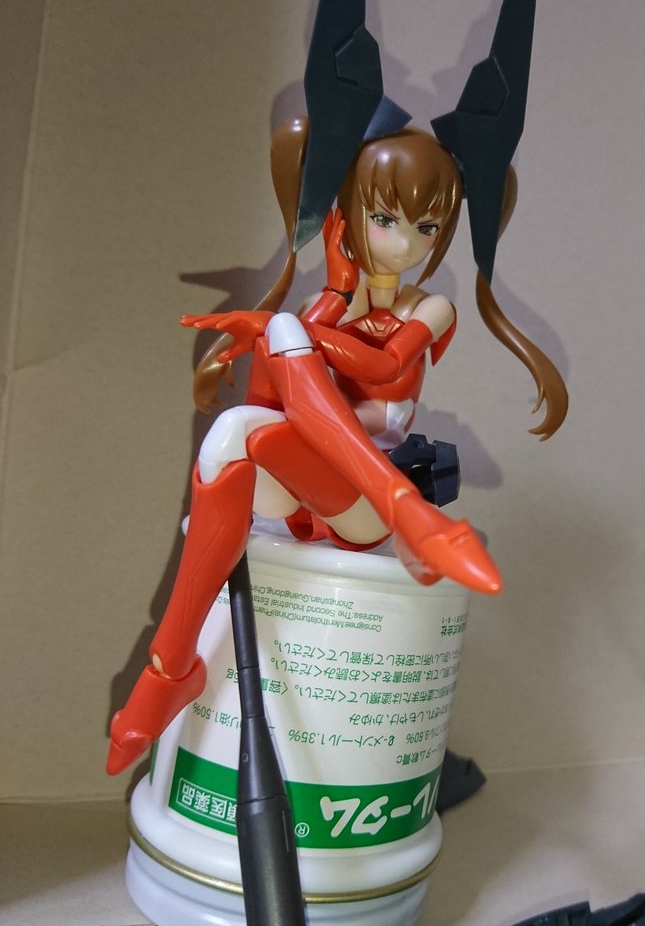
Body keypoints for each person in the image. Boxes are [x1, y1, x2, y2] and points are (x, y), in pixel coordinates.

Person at [106, 118, 567, 775]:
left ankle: (397, 507)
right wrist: (331, 293)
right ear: (349, 214)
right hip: (299, 498)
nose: (405, 244)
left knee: (278, 343)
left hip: (358, 510)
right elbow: (282, 388)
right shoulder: (331, 306)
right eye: (384, 219)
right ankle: (174, 668)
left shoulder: (431, 309)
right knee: (233, 431)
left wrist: (282, 327)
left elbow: (383, 367)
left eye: (427, 227)